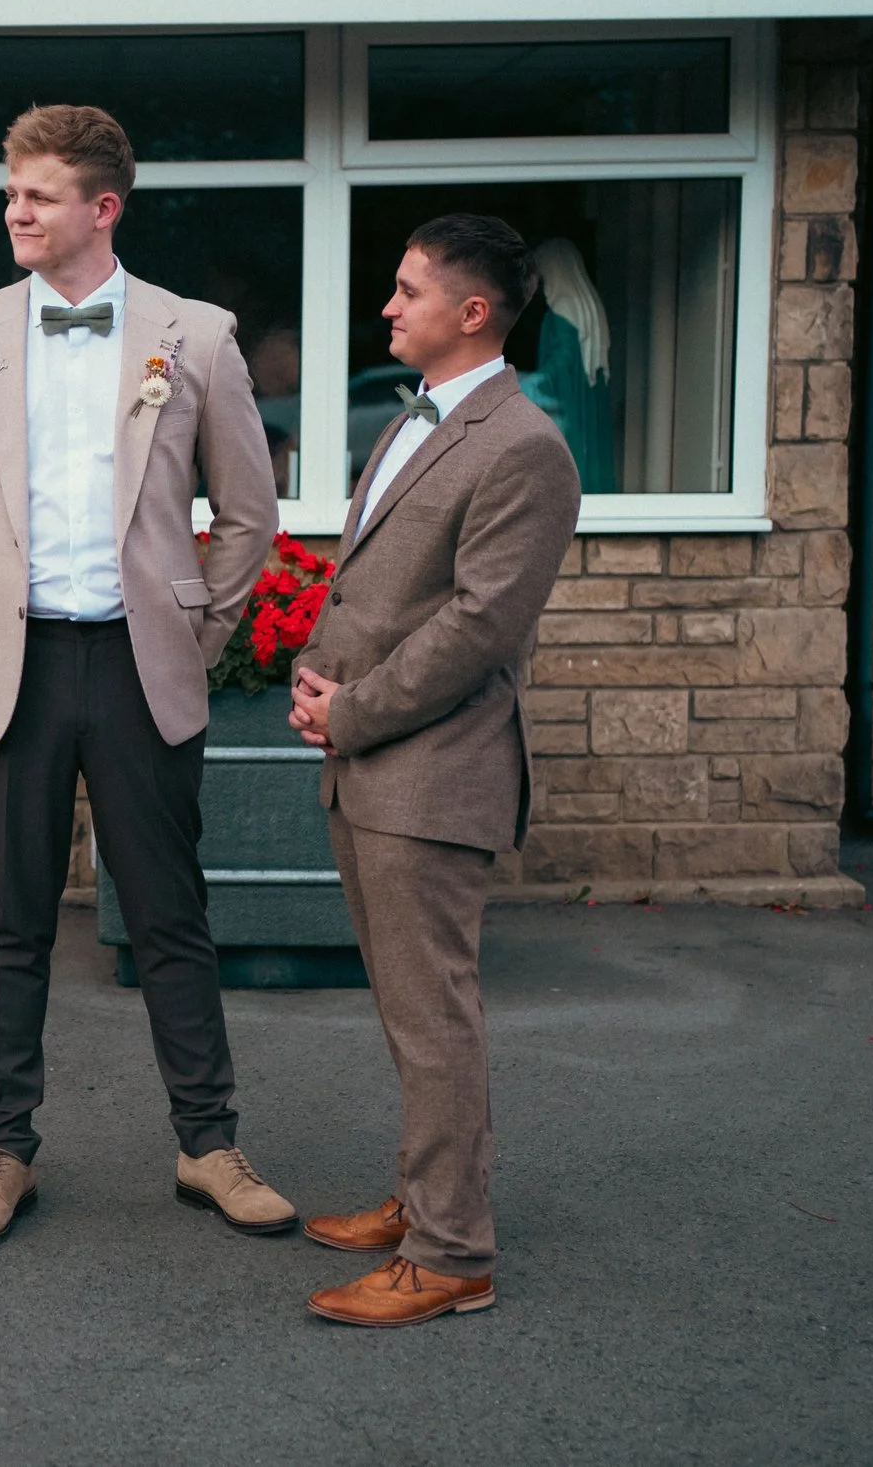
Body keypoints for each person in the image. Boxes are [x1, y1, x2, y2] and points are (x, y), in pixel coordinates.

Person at [0, 104, 289, 1249]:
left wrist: (191, 630)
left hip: (137, 665)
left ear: (101, 208)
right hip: (6, 669)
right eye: (10, 192)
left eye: (39, 194)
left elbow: (248, 515)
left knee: (172, 916)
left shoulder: (194, 334)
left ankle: (208, 1143)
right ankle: (1, 1151)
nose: (15, 210)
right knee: (9, 922)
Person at [288, 213, 581, 1327]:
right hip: (370, 761)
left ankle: (454, 1254)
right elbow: (378, 583)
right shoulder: (415, 421)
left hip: (431, 775)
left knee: (434, 1015)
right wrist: (320, 673)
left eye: (406, 291)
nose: (386, 308)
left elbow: (476, 628)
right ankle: (421, 1199)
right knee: (409, 1008)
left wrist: (350, 710)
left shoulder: (523, 446)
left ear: (472, 313)